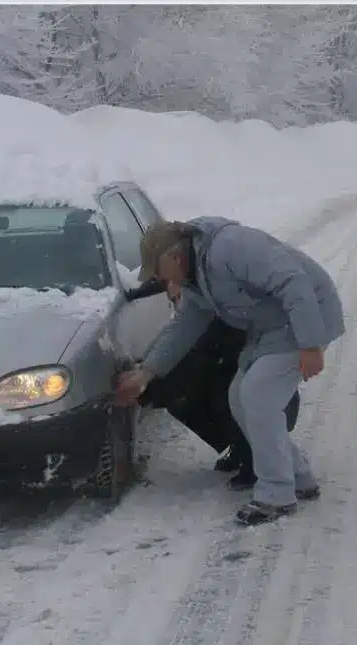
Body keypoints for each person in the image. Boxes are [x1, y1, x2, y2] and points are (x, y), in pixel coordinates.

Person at [114, 217, 345, 526]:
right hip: (272, 328)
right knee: (239, 397)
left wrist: (311, 344)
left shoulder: (230, 248)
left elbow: (293, 281)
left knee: (258, 394)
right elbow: (183, 326)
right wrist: (147, 372)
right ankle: (297, 476)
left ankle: (276, 494)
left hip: (307, 315)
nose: (157, 278)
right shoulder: (197, 279)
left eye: (157, 270)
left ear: (174, 257)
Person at [126, 276, 301, 490]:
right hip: (225, 357)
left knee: (218, 389)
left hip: (256, 375)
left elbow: (183, 344)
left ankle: (255, 457)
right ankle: (239, 445)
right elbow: (174, 332)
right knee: (178, 386)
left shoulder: (215, 296)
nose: (170, 293)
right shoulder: (191, 279)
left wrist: (145, 381)